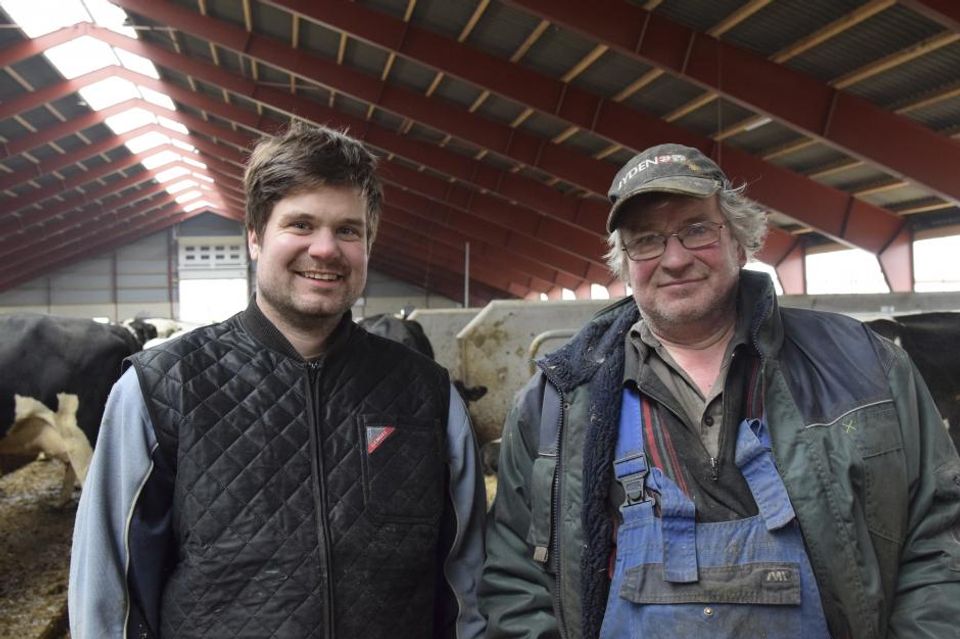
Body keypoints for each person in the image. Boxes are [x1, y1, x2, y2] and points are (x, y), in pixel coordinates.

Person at [480, 143, 960, 638]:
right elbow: (515, 581)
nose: (674, 259)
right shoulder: (557, 400)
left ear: (740, 241)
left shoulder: (866, 366)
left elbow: (941, 541)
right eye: (646, 240)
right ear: (624, 262)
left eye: (696, 230)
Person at [69, 122, 486, 639]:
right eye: (301, 224)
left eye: (348, 230)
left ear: (369, 242)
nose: (326, 249)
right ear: (254, 235)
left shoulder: (427, 394)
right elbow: (109, 589)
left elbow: (466, 581)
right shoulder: (161, 390)